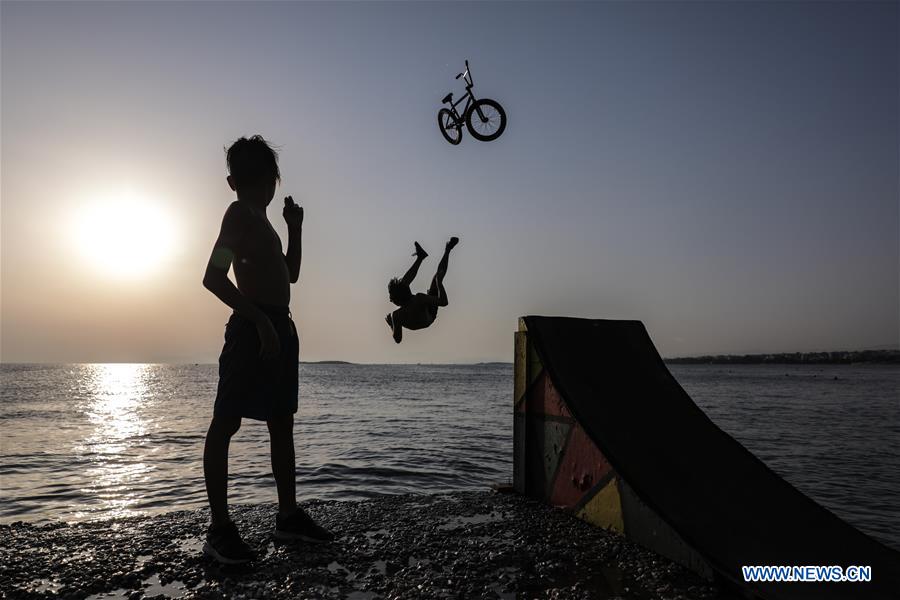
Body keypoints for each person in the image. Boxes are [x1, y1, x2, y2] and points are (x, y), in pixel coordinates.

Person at [201, 135, 332, 565]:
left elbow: (290, 274)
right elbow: (214, 277)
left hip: (279, 327)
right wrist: (257, 320)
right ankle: (219, 529)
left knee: (281, 422)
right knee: (226, 422)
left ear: (231, 179)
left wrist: (295, 227)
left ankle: (288, 517)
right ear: (272, 180)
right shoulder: (239, 214)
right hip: (253, 329)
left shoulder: (264, 221)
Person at [386, 237, 459, 343]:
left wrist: (392, 326)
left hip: (423, 313)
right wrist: (439, 284)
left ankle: (421, 257)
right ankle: (447, 250)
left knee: (403, 284)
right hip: (429, 314)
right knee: (437, 277)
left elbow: (398, 339)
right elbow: (444, 302)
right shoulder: (419, 299)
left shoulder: (396, 316)